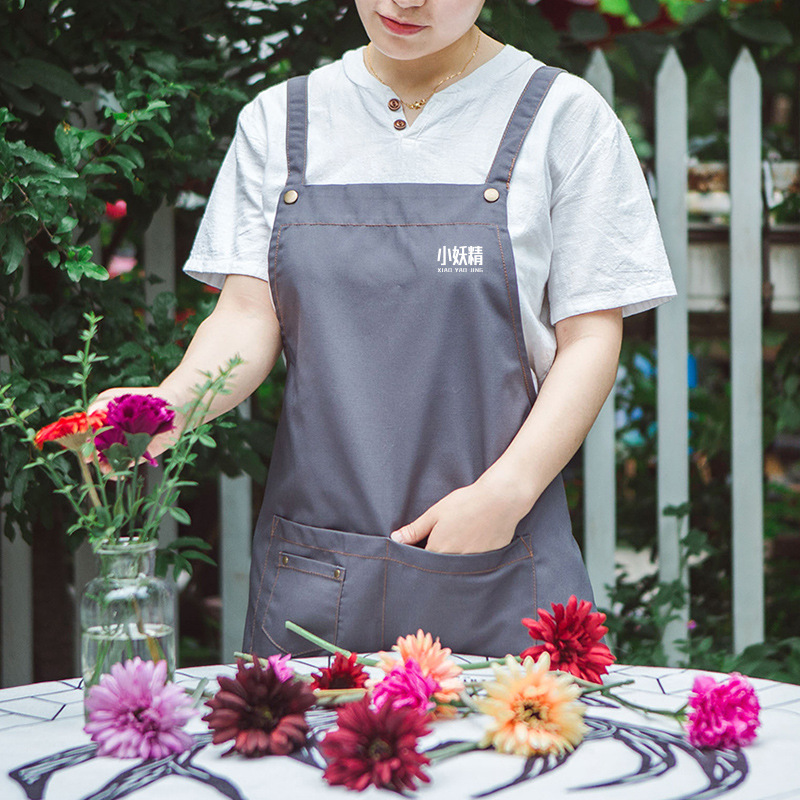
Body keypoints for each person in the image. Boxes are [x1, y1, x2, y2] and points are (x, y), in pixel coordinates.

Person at [96, 0, 677, 658]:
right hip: (314, 572)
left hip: (503, 560)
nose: (405, 1)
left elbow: (590, 340)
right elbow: (247, 318)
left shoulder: (563, 118)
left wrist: (505, 492)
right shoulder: (280, 120)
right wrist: (160, 409)